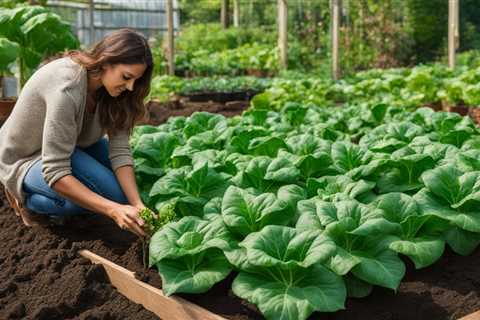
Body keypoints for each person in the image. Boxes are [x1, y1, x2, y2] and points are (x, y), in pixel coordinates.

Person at [0, 28, 154, 237]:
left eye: (136, 80)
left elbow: (120, 151)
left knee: (121, 195)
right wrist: (113, 209)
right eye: (126, 77)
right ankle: (29, 202)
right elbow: (55, 170)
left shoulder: (116, 93)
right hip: (26, 156)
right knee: (110, 197)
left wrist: (137, 204)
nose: (130, 87)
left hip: (69, 146)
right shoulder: (68, 88)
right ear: (106, 62)